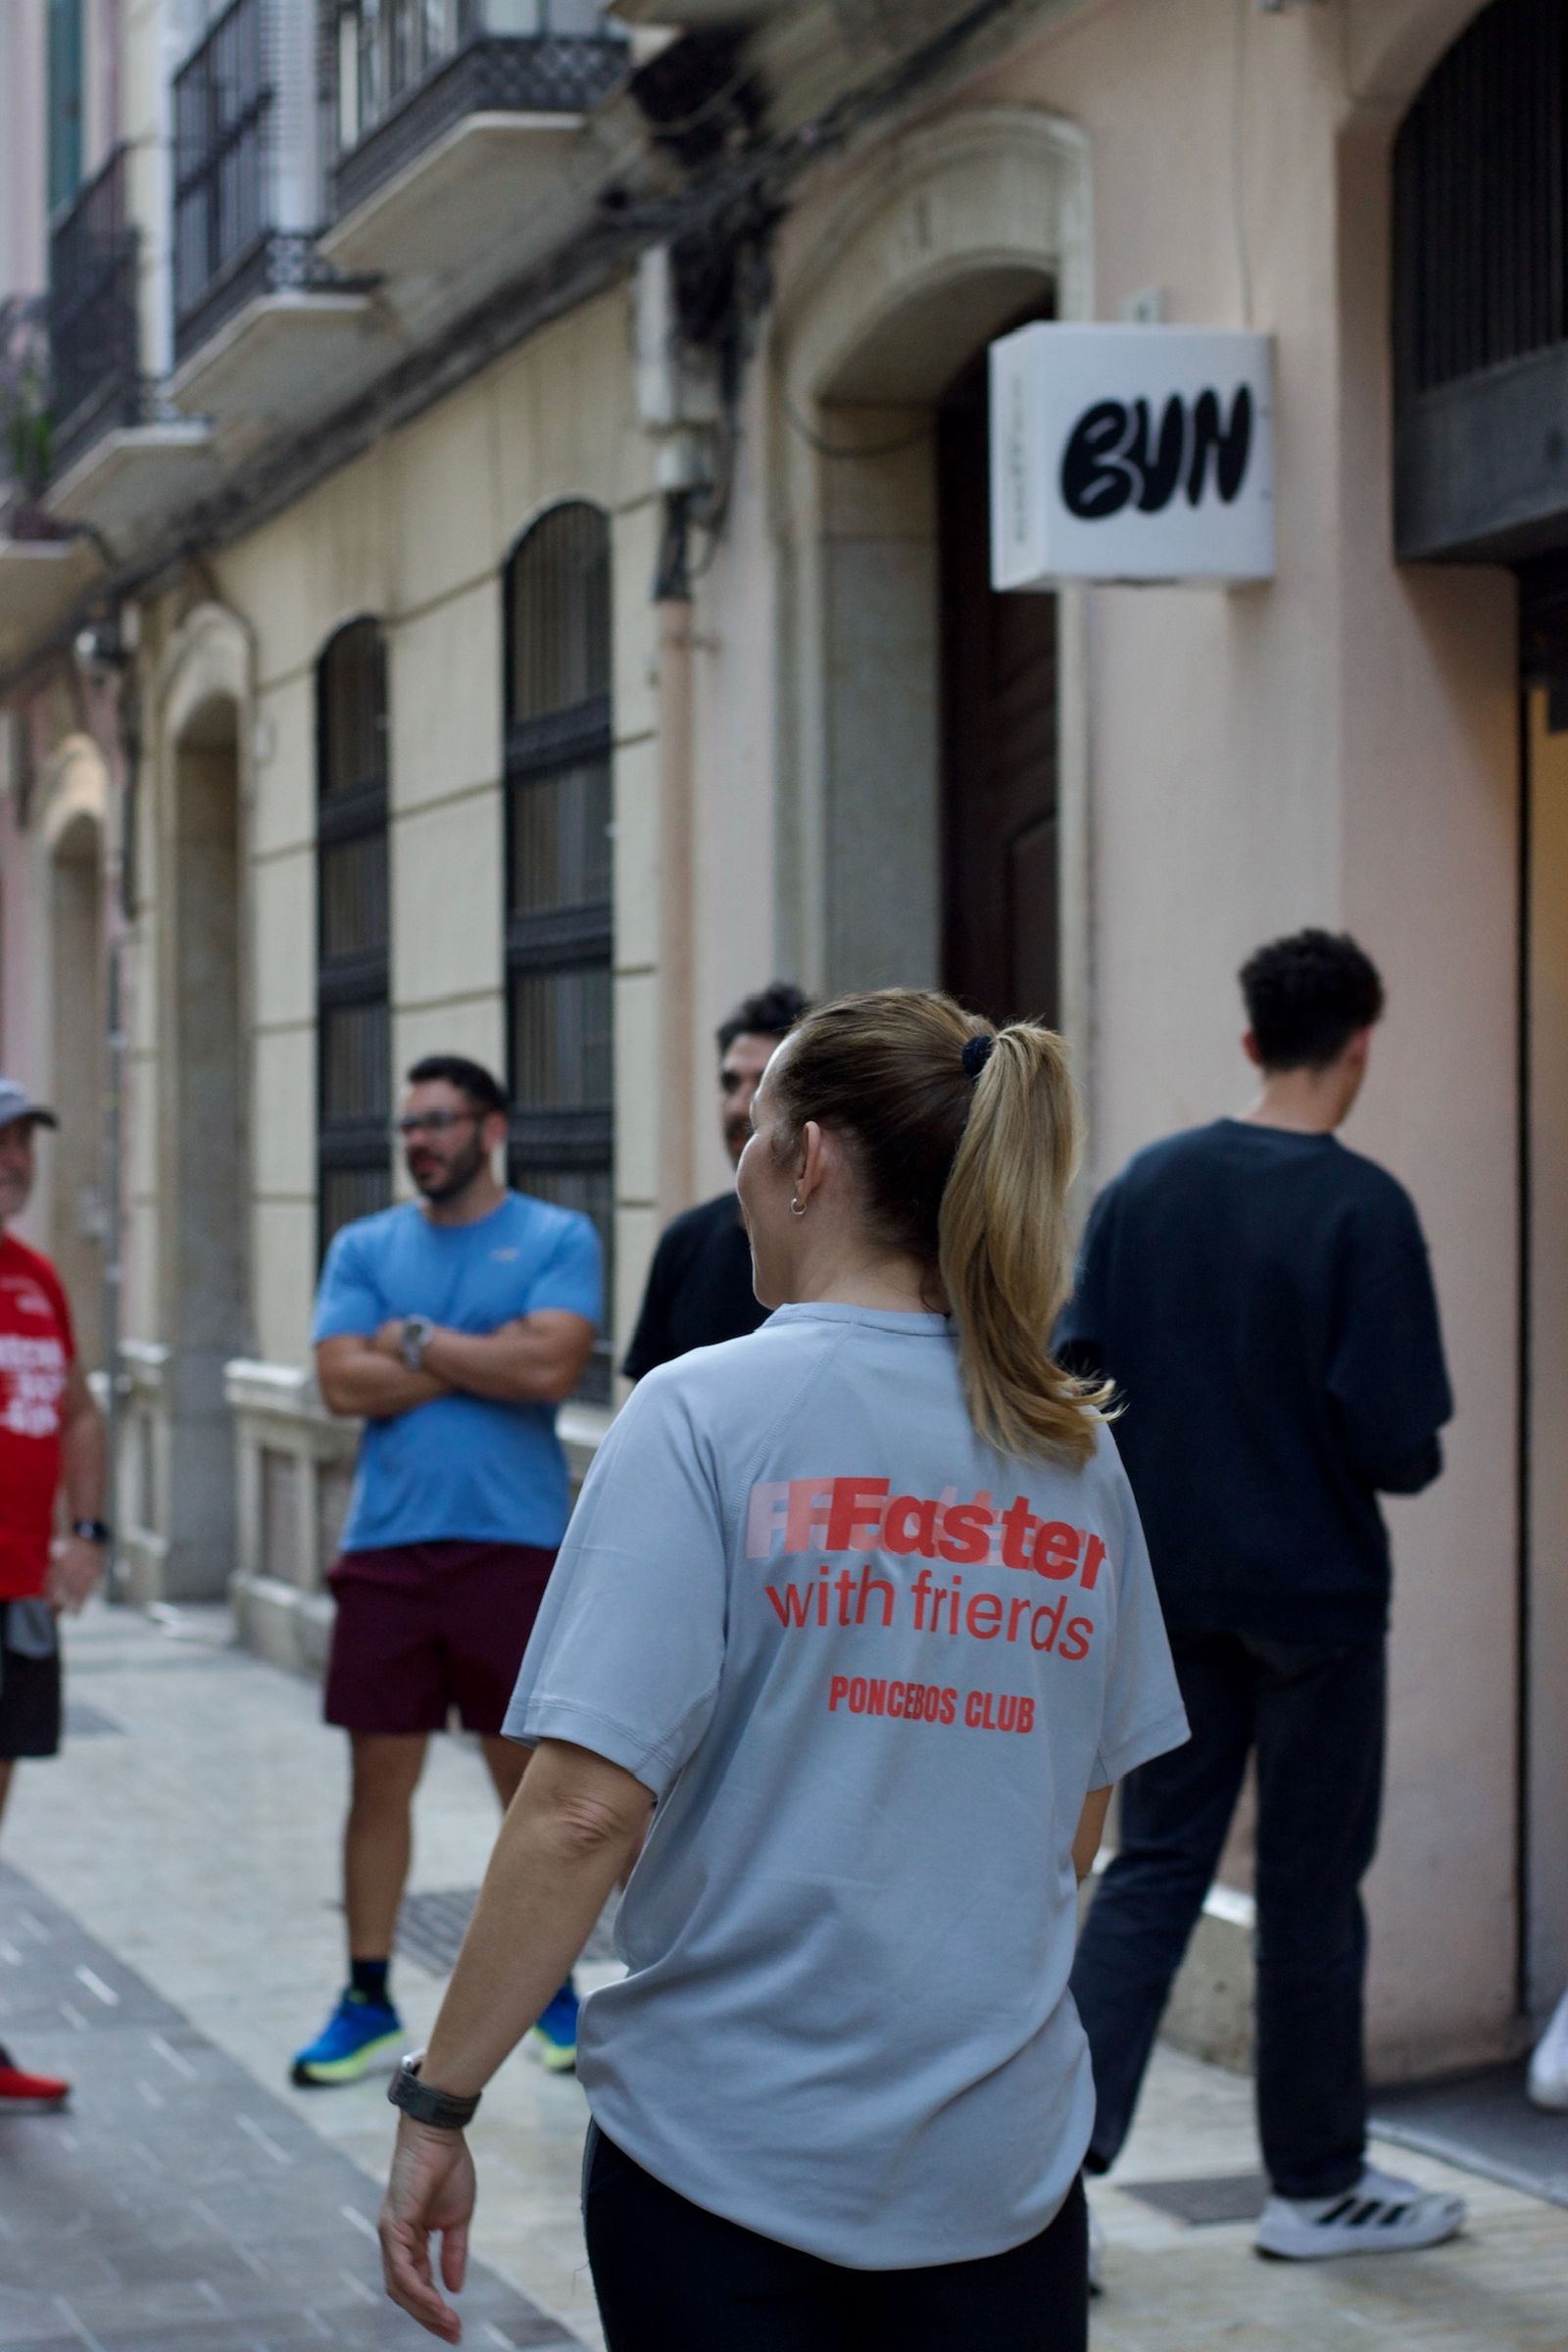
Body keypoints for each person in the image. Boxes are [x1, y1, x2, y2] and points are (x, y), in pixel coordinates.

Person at [376, 989, 1188, 2351]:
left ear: (807, 1162)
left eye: (754, 1140)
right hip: (1003, 2174)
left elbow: (581, 1812)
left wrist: (441, 2103)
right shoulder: (1073, 1454)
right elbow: (1079, 1822)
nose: (740, 1177)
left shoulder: (700, 1414)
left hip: (725, 2168)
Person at [1058, 929, 1465, 2262]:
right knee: (1307, 1889)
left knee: (1153, 1869)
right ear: (1360, 1044)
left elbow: (1078, 1376)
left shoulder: (1144, 1190)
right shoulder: (1365, 1210)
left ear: (1247, 1042)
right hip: (1320, 1607)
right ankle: (1314, 2188)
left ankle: (1047, 2176)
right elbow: (1395, 1439)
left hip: (1169, 1597)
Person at [292, 1054, 601, 2089]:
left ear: (491, 1128)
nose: (418, 1141)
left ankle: (550, 1990)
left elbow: (552, 1367)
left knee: (529, 1785)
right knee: (376, 1782)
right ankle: (366, 1997)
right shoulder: (364, 1244)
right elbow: (340, 1382)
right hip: (388, 1548)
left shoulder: (557, 1236)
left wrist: (415, 1344)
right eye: (407, 1126)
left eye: (438, 1121)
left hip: (513, 1546)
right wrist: (484, 1353)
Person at [0, 1078, 109, 2114]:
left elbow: (76, 1410)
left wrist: (85, 1532)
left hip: (19, 1595)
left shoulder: (36, 1279)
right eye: (2, 1141)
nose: (15, 1160)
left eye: (26, 1142)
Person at [621, 982, 810, 1379]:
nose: (741, 1105)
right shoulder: (685, 1240)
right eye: (730, 1084)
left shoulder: (846, 1254)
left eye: (763, 1083)